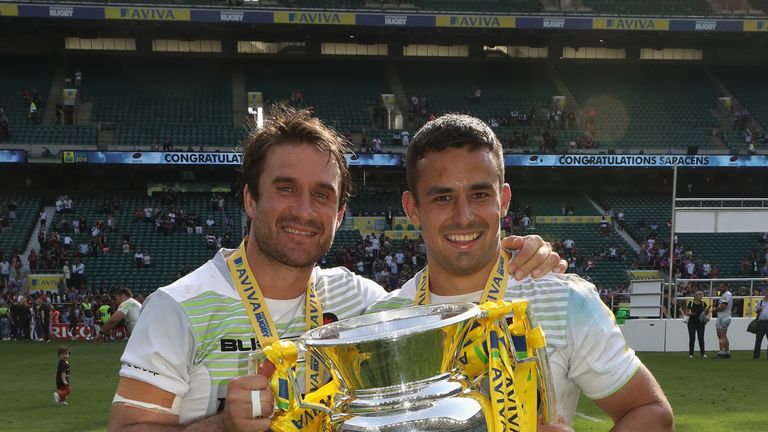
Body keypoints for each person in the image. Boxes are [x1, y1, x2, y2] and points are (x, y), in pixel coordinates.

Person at [108, 107, 564, 431]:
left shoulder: (363, 303)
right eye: (286, 188)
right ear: (250, 198)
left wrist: (525, 254)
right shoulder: (178, 307)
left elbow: (449, 294)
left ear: (340, 213)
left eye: (322, 194)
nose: (304, 210)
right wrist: (222, 427)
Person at [367, 114, 673, 430]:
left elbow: (650, 411)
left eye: (480, 194)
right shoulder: (379, 323)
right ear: (412, 208)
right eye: (443, 197)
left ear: (504, 200)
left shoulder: (564, 300)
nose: (464, 215)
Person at [682, 291, 709, 358]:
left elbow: (705, 313)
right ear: (696, 296)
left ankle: (703, 353)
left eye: (701, 295)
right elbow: (686, 312)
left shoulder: (703, 303)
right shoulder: (691, 303)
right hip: (692, 322)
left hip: (700, 323)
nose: (701, 296)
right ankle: (691, 353)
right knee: (692, 338)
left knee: (701, 338)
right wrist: (690, 314)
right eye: (700, 295)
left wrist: (707, 310)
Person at [715, 286, 733, 359]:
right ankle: (727, 352)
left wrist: (715, 310)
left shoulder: (726, 295)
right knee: (724, 335)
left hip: (723, 316)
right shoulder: (726, 294)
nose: (720, 288)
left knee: (721, 336)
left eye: (722, 287)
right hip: (725, 316)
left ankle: (721, 352)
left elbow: (723, 306)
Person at [753, 291, 768, 359]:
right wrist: (758, 309)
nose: (767, 294)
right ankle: (756, 356)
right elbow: (755, 310)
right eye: (766, 293)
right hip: (760, 322)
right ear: (764, 294)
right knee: (758, 340)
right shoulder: (760, 302)